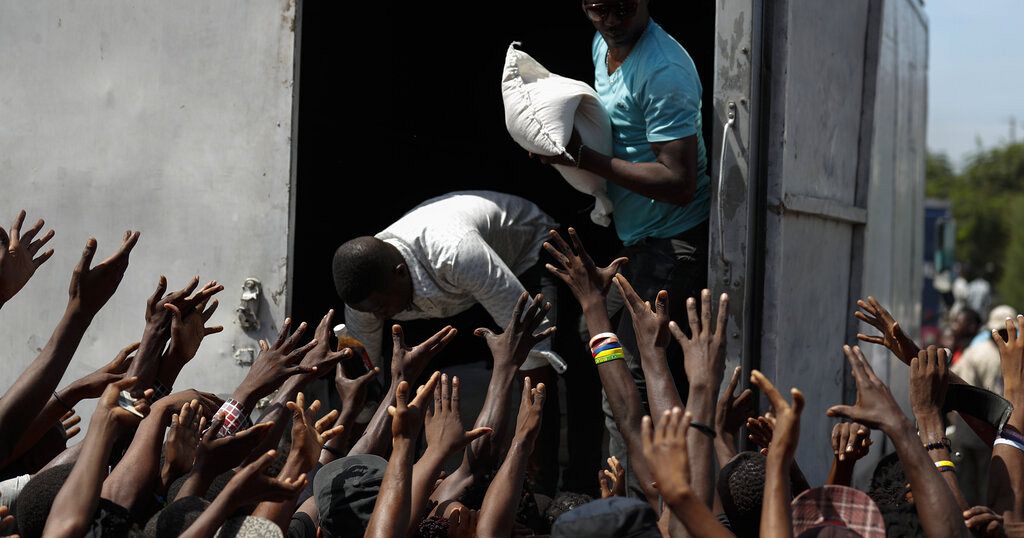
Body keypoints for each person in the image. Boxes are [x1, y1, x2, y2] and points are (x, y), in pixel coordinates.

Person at [542, 0, 711, 484]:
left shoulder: (664, 70)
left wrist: (583, 158)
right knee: (592, 343)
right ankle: (608, 481)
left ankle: (642, 503)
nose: (611, 20)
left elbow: (679, 183)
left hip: (673, 243)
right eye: (598, 9)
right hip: (639, 241)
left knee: (635, 375)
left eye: (622, 8)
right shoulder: (604, 44)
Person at [332, 190, 561, 374]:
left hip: (530, 249)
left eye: (381, 307)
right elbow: (364, 371)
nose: (379, 316)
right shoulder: (366, 296)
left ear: (400, 272)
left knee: (551, 355)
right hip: (468, 280)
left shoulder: (454, 254)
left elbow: (530, 336)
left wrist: (531, 415)